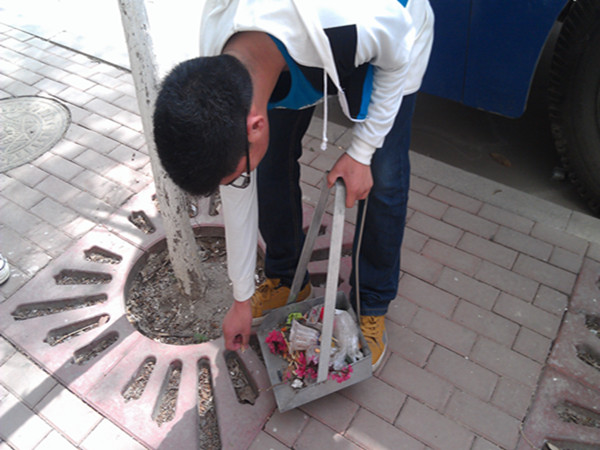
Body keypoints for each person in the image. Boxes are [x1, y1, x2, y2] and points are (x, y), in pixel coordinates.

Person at [153, 0, 434, 370]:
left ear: (255, 125)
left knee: (383, 176)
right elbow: (237, 190)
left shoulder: (347, 26)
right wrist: (241, 299)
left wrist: (362, 151)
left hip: (396, 33)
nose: (238, 182)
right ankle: (287, 279)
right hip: (293, 49)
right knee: (268, 165)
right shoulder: (216, 57)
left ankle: (372, 303)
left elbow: (398, 45)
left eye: (237, 174)